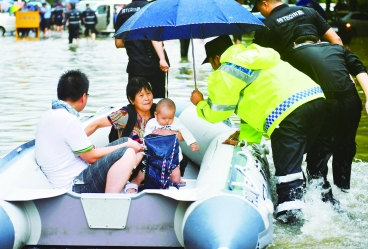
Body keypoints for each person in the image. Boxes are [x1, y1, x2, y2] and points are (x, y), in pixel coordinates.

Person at [190, 35, 326, 224]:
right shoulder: (256, 54)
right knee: (306, 165)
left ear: (216, 58)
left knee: (287, 173)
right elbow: (252, 103)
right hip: (317, 101)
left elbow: (217, 113)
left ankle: (292, 223)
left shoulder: (226, 70)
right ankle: (324, 205)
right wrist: (245, 138)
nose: (213, 67)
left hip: (288, 112)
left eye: (212, 62)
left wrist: (199, 103)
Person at [283, 24, 368, 193]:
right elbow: (359, 68)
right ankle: (344, 190)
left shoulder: (292, 54)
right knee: (345, 148)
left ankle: (324, 199)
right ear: (319, 40)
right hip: (352, 101)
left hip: (326, 104)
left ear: (294, 43)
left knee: (319, 152)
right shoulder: (338, 49)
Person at [35, 70, 143, 193]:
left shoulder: (48, 115)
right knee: (127, 151)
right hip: (75, 186)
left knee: (126, 140)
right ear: (83, 97)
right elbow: (91, 157)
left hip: (71, 176)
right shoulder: (69, 120)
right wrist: (125, 145)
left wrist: (125, 143)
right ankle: (111, 201)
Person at [85, 77, 183, 190]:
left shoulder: (159, 112)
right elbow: (96, 124)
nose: (147, 98)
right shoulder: (125, 114)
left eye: (148, 93)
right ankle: (134, 181)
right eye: (141, 95)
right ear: (132, 100)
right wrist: (79, 142)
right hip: (130, 162)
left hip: (155, 160)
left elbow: (180, 136)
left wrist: (167, 132)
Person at [114, 0, 170, 98]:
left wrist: (133, 42)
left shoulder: (123, 13)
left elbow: (118, 44)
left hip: (135, 66)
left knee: (137, 100)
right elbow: (155, 37)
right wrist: (162, 58)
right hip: (155, 66)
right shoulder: (152, 9)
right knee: (158, 100)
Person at [252, 0, 343, 56]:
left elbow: (259, 58)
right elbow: (336, 39)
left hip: (291, 78)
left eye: (260, 10)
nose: (261, 13)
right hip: (320, 70)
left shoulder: (265, 26)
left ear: (265, 4)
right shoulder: (308, 11)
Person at [145, 98, 199, 185]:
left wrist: (192, 142)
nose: (167, 121)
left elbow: (184, 131)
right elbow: (146, 138)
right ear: (156, 114)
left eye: (170, 118)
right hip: (157, 154)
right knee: (157, 170)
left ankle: (176, 181)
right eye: (164, 118)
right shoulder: (151, 124)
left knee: (175, 171)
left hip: (173, 153)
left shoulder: (176, 122)